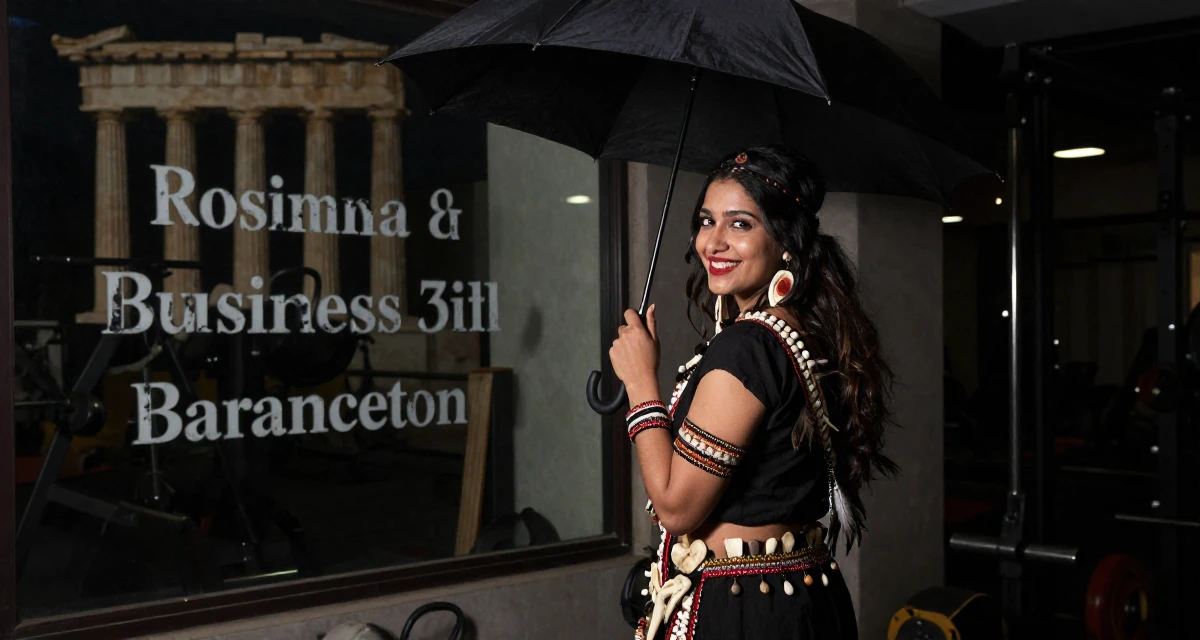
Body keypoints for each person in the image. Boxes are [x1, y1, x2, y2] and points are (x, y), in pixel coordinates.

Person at [610, 145, 896, 640]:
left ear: (785, 241)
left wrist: (640, 385)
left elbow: (677, 508)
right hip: (801, 596)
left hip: (743, 609)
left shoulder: (748, 348)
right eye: (706, 221)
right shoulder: (803, 332)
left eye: (740, 224)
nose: (713, 242)